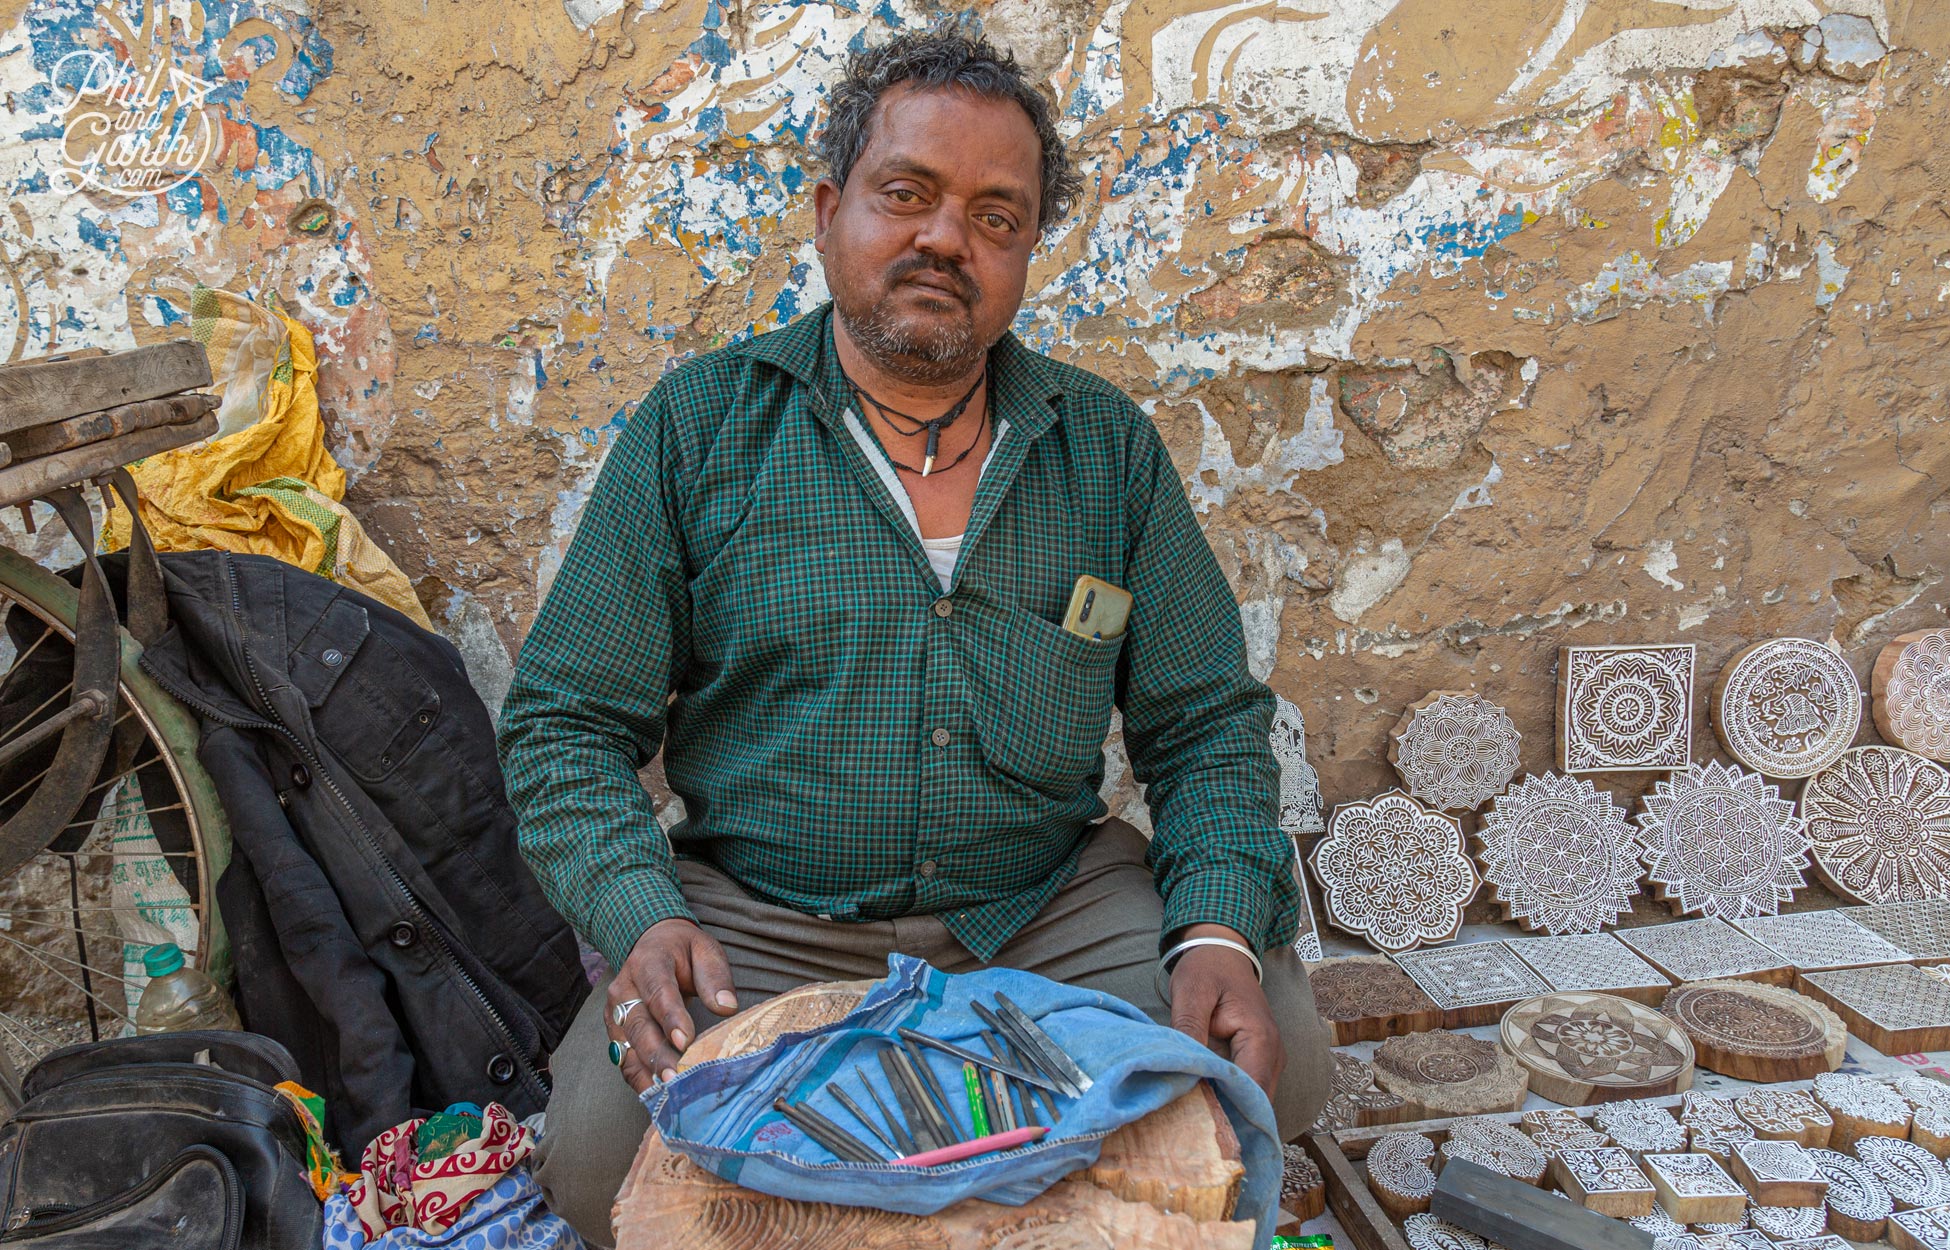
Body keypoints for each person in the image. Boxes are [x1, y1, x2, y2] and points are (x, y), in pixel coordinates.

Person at [497, 26, 1332, 1242]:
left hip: (1041, 900)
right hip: (765, 912)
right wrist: (640, 915)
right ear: (833, 211)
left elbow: (1205, 719)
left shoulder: (1106, 449)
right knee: (596, 1164)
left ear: (1029, 251)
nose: (948, 237)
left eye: (998, 216)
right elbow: (566, 723)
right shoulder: (699, 428)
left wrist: (1215, 929)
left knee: (1281, 1064)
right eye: (909, 195)